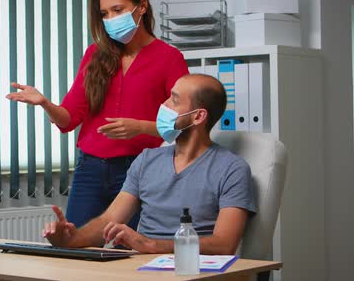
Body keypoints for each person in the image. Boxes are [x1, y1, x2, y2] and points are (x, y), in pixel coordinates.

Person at [6, 0, 188, 228]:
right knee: (75, 248)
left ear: (142, 6)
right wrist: (45, 103)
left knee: (131, 252)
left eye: (118, 9)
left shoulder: (169, 58)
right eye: (105, 14)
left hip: (139, 169)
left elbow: (186, 121)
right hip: (89, 170)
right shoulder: (95, 54)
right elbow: (69, 119)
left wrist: (140, 127)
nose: (111, 19)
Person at [42, 74, 256, 254]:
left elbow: (224, 244)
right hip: (140, 269)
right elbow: (108, 220)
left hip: (192, 270)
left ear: (198, 116)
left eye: (173, 100)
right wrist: (71, 239)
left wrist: (150, 245)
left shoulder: (232, 169)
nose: (163, 105)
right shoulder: (147, 160)